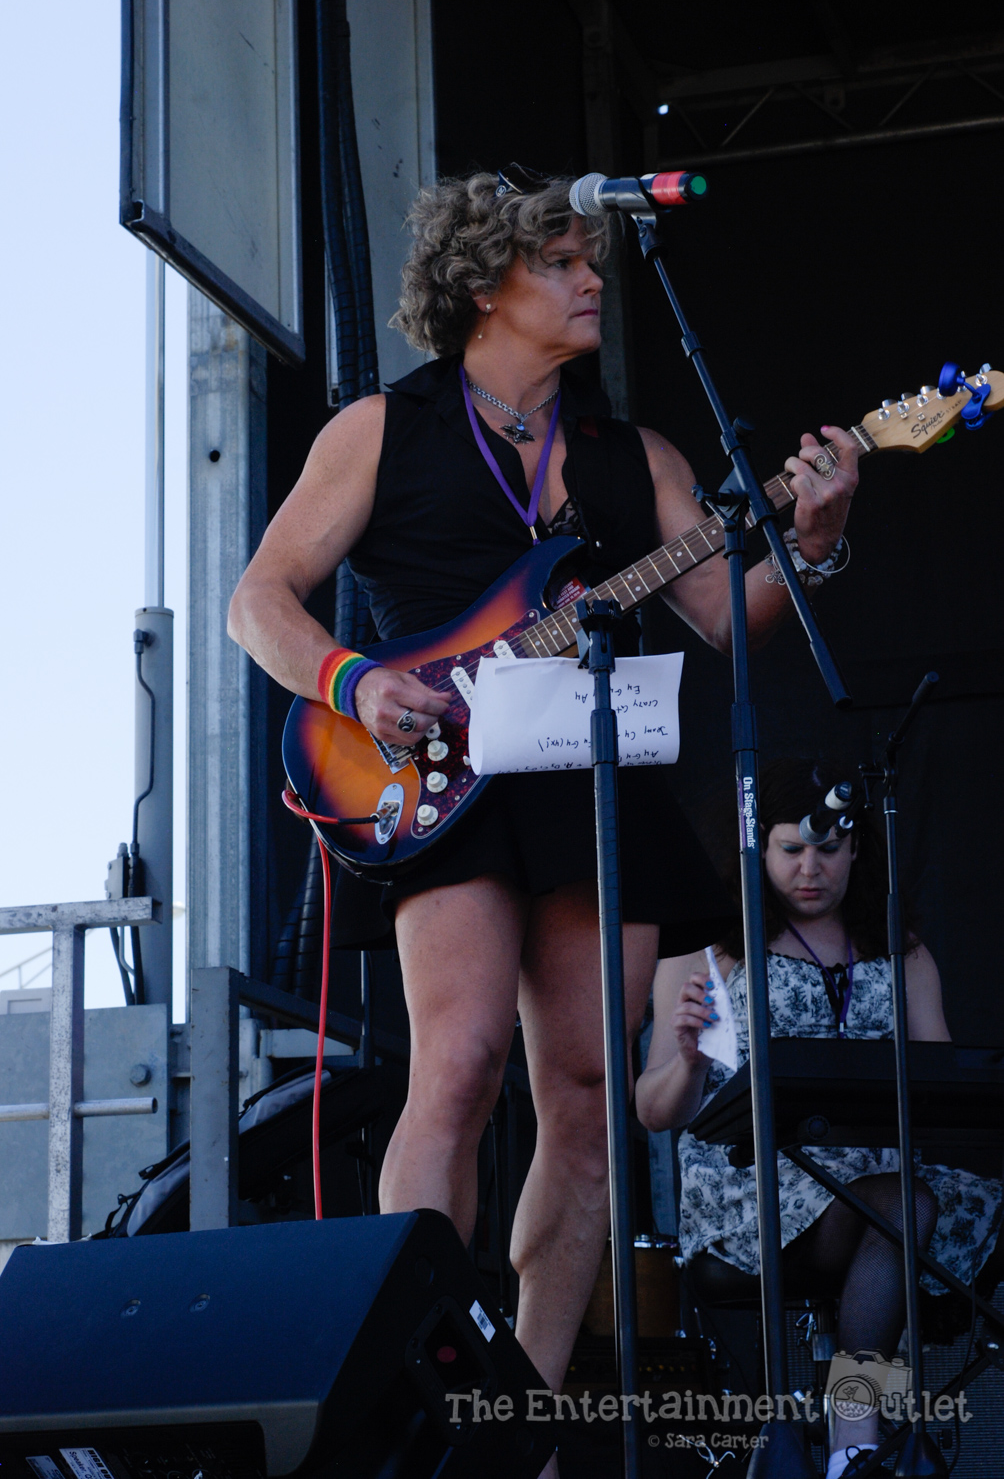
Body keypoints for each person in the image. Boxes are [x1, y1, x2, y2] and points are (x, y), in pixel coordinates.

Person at [227, 167, 859, 1438]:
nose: (589, 282)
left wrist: (815, 539)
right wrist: (355, 681)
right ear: (480, 286)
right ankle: (408, 1393)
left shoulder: (636, 457)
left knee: (580, 1090)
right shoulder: (381, 429)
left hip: (589, 777)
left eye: (592, 262)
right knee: (458, 1066)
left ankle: (520, 1412)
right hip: (435, 771)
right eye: (559, 263)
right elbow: (260, 602)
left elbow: (725, 621)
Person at [637, 757, 1002, 1479]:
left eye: (829, 849)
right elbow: (653, 1111)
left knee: (925, 1204)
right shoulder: (712, 949)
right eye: (790, 850)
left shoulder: (902, 953)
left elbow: (940, 1088)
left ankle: (855, 1437)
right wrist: (687, 1060)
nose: (810, 869)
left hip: (882, 1176)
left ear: (857, 848)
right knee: (901, 1207)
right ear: (757, 850)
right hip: (752, 1185)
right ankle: (856, 1433)